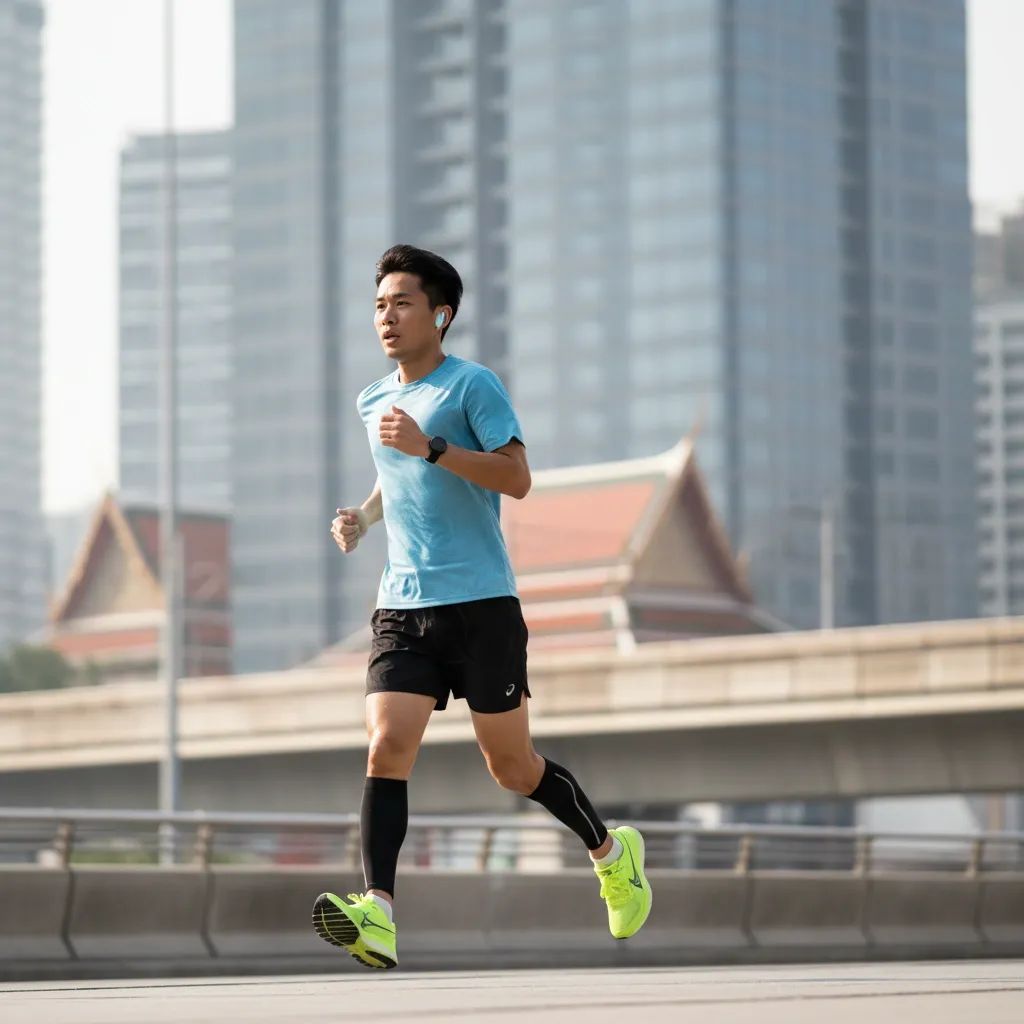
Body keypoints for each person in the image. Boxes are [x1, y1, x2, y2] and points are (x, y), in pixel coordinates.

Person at [311, 244, 652, 970]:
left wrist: (434, 448)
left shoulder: (474, 387)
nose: (387, 317)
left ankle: (610, 851)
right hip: (405, 603)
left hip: (482, 605)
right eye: (378, 305)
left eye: (402, 303)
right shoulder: (374, 400)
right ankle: (379, 912)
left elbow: (517, 477)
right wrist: (364, 520)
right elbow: (391, 475)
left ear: (441, 314)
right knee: (385, 746)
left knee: (512, 767)